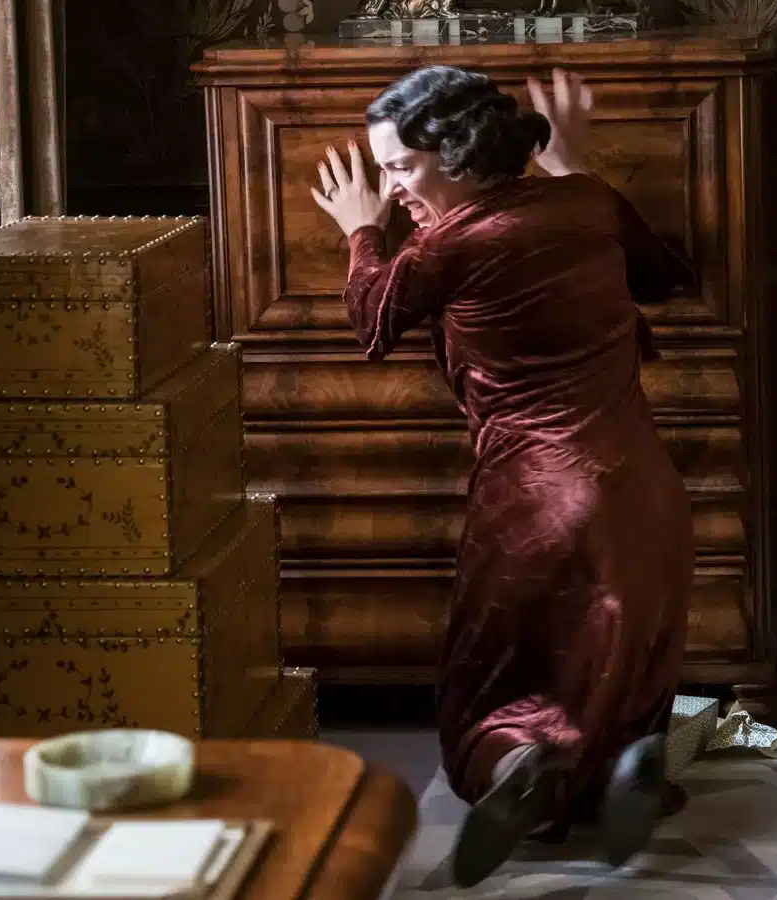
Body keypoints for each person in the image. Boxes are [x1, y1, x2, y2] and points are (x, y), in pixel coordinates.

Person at [311, 65, 696, 888]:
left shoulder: (449, 244)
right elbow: (666, 275)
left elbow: (372, 319)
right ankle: (626, 767)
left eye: (400, 168)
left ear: (456, 154)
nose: (389, 188)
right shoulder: (587, 204)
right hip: (649, 494)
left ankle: (516, 765)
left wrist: (360, 230)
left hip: (538, 500)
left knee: (488, 684)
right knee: (616, 667)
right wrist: (572, 166)